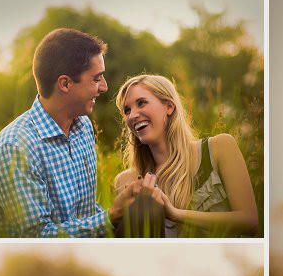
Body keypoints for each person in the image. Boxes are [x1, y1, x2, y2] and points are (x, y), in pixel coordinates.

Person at [0, 28, 142, 237]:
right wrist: (111, 216)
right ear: (65, 83)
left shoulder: (83, 127)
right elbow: (36, 237)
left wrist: (125, 216)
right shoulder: (15, 147)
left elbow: (84, 212)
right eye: (96, 79)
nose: (104, 87)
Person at [111, 74, 259, 237]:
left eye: (141, 103)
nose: (132, 115)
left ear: (169, 107)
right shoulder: (126, 182)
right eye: (127, 110)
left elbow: (249, 221)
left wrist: (175, 214)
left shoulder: (220, 148)